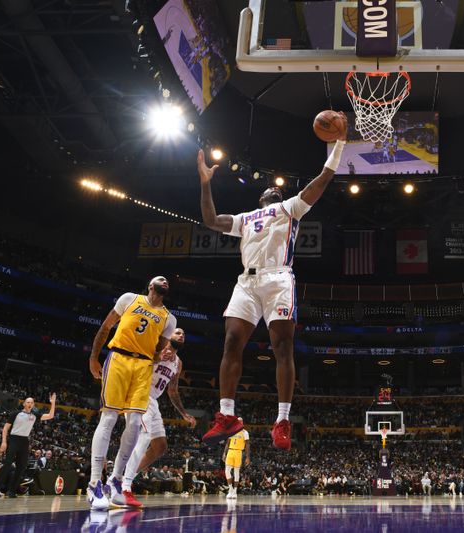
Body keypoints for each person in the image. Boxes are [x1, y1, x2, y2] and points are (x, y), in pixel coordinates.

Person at [197, 116, 348, 449]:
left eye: (278, 189)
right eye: (270, 189)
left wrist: (339, 144)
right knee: (232, 342)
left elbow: (324, 177)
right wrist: (206, 183)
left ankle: (282, 420)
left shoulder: (290, 209)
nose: (274, 189)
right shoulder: (245, 219)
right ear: (260, 197)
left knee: (281, 347)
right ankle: (227, 416)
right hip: (246, 283)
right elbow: (209, 220)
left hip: (278, 278)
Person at [87, 276, 177, 510]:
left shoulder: (169, 318)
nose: (164, 280)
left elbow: (157, 352)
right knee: (109, 417)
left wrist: (163, 356)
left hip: (144, 366)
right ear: (149, 285)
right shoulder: (129, 299)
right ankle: (94, 483)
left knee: (136, 423)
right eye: (159, 279)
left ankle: (115, 482)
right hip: (118, 358)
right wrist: (93, 357)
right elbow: (106, 327)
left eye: (166, 280)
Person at [122, 328, 195, 507]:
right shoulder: (156, 347)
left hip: (153, 400)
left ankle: (126, 475)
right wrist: (158, 355)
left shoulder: (178, 363)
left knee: (160, 446)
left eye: (183, 334)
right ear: (168, 335)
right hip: (139, 394)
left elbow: (172, 390)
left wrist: (183, 413)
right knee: (145, 436)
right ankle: (124, 486)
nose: (181, 335)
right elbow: (137, 362)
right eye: (177, 332)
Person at [0, 394, 56, 498]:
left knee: (21, 467)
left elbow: (50, 416)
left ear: (33, 405)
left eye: (31, 402)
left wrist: (53, 403)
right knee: (7, 465)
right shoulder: (16, 413)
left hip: (25, 441)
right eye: (28, 402)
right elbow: (5, 428)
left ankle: (11, 491)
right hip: (13, 439)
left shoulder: (34, 415)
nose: (29, 404)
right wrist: (4, 442)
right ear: (24, 403)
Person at [223, 427, 250, 499]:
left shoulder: (245, 432)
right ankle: (230, 489)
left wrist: (247, 457)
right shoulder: (231, 430)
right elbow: (227, 443)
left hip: (239, 452)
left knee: (236, 472)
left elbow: (247, 445)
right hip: (230, 451)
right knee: (227, 471)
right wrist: (224, 453)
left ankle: (235, 491)